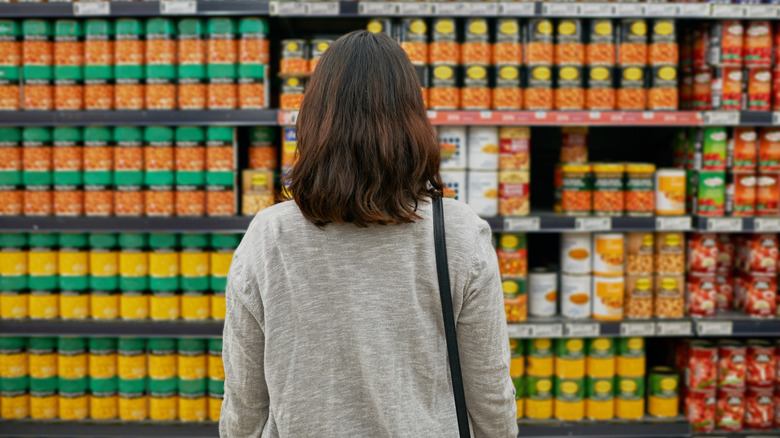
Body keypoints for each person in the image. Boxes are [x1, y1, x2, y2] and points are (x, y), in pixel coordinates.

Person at [220, 30, 517, 438]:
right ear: (413, 120)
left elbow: (244, 405)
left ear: (312, 119)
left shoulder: (270, 236)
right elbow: (491, 395)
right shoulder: (459, 233)